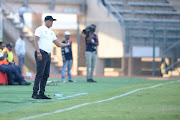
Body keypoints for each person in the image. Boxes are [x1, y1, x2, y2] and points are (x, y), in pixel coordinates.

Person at [32, 16, 72, 99]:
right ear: (46, 21)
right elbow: (35, 40)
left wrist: (67, 44)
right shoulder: (40, 29)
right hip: (41, 53)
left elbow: (58, 44)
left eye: (52, 21)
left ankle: (42, 93)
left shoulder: (51, 32)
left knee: (46, 75)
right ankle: (35, 93)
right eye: (50, 21)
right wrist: (38, 52)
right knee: (40, 74)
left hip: (48, 55)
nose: (52, 22)